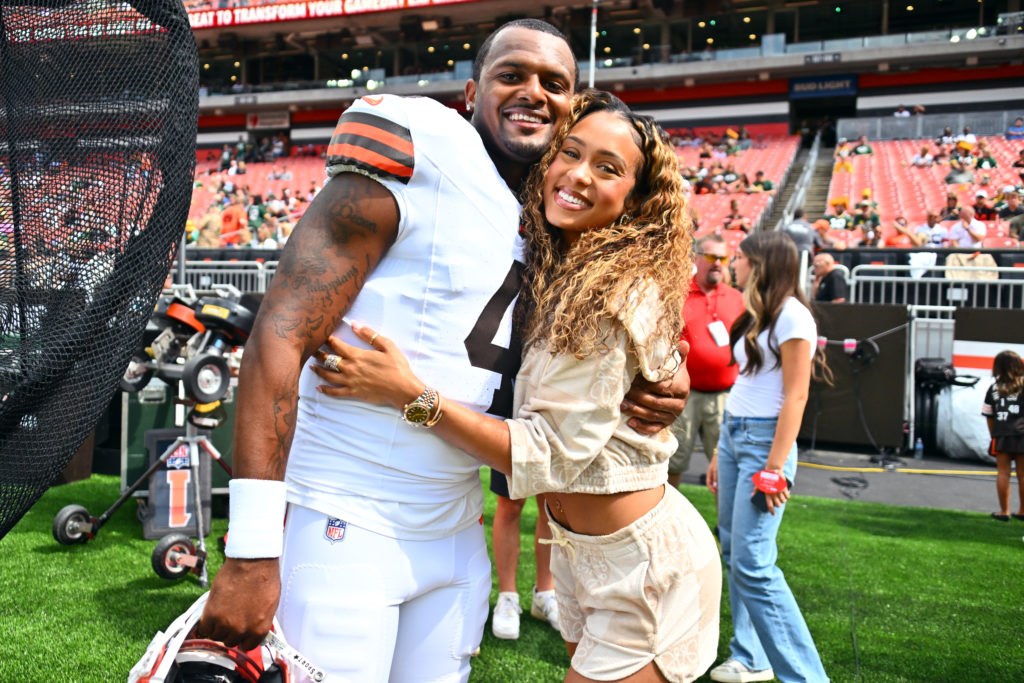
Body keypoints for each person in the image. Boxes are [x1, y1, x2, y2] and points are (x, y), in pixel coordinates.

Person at [195, 20, 688, 682]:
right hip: (349, 511)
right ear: (470, 92)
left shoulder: (556, 220)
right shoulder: (424, 146)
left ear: (574, 104)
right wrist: (252, 546)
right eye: (511, 74)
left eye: (555, 82)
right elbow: (280, 332)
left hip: (457, 528)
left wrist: (644, 380)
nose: (533, 92)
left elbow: (518, 374)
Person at [315, 91, 721, 683]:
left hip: (644, 568)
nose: (578, 175)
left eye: (608, 169)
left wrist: (410, 395)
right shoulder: (565, 268)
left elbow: (548, 453)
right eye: (571, 153)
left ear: (635, 203)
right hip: (589, 560)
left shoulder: (613, 295)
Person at [706, 231, 830, 683]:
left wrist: (775, 469)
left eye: (739, 258)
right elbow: (745, 385)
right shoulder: (757, 314)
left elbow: (797, 396)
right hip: (738, 438)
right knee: (735, 552)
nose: (731, 264)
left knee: (754, 564)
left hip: (765, 447)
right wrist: (722, 450)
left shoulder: (794, 316)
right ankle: (751, 656)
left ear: (761, 264)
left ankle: (806, 677)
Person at [668, 234, 745, 490]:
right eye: (712, 257)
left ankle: (724, 529)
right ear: (695, 258)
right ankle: (665, 527)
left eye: (723, 257)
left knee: (724, 468)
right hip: (685, 397)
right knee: (672, 465)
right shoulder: (677, 295)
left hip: (726, 396)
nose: (718, 263)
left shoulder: (737, 298)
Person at [488, 476, 559, 639]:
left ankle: (545, 594)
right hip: (515, 448)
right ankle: (507, 597)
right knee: (510, 504)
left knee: (551, 505)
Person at [982, 351, 1024, 522]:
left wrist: (994, 435)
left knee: (1003, 473)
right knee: (1023, 474)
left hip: (1001, 434)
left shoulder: (994, 388)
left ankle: (1004, 511)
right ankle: (1022, 511)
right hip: (1022, 434)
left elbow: (988, 414)